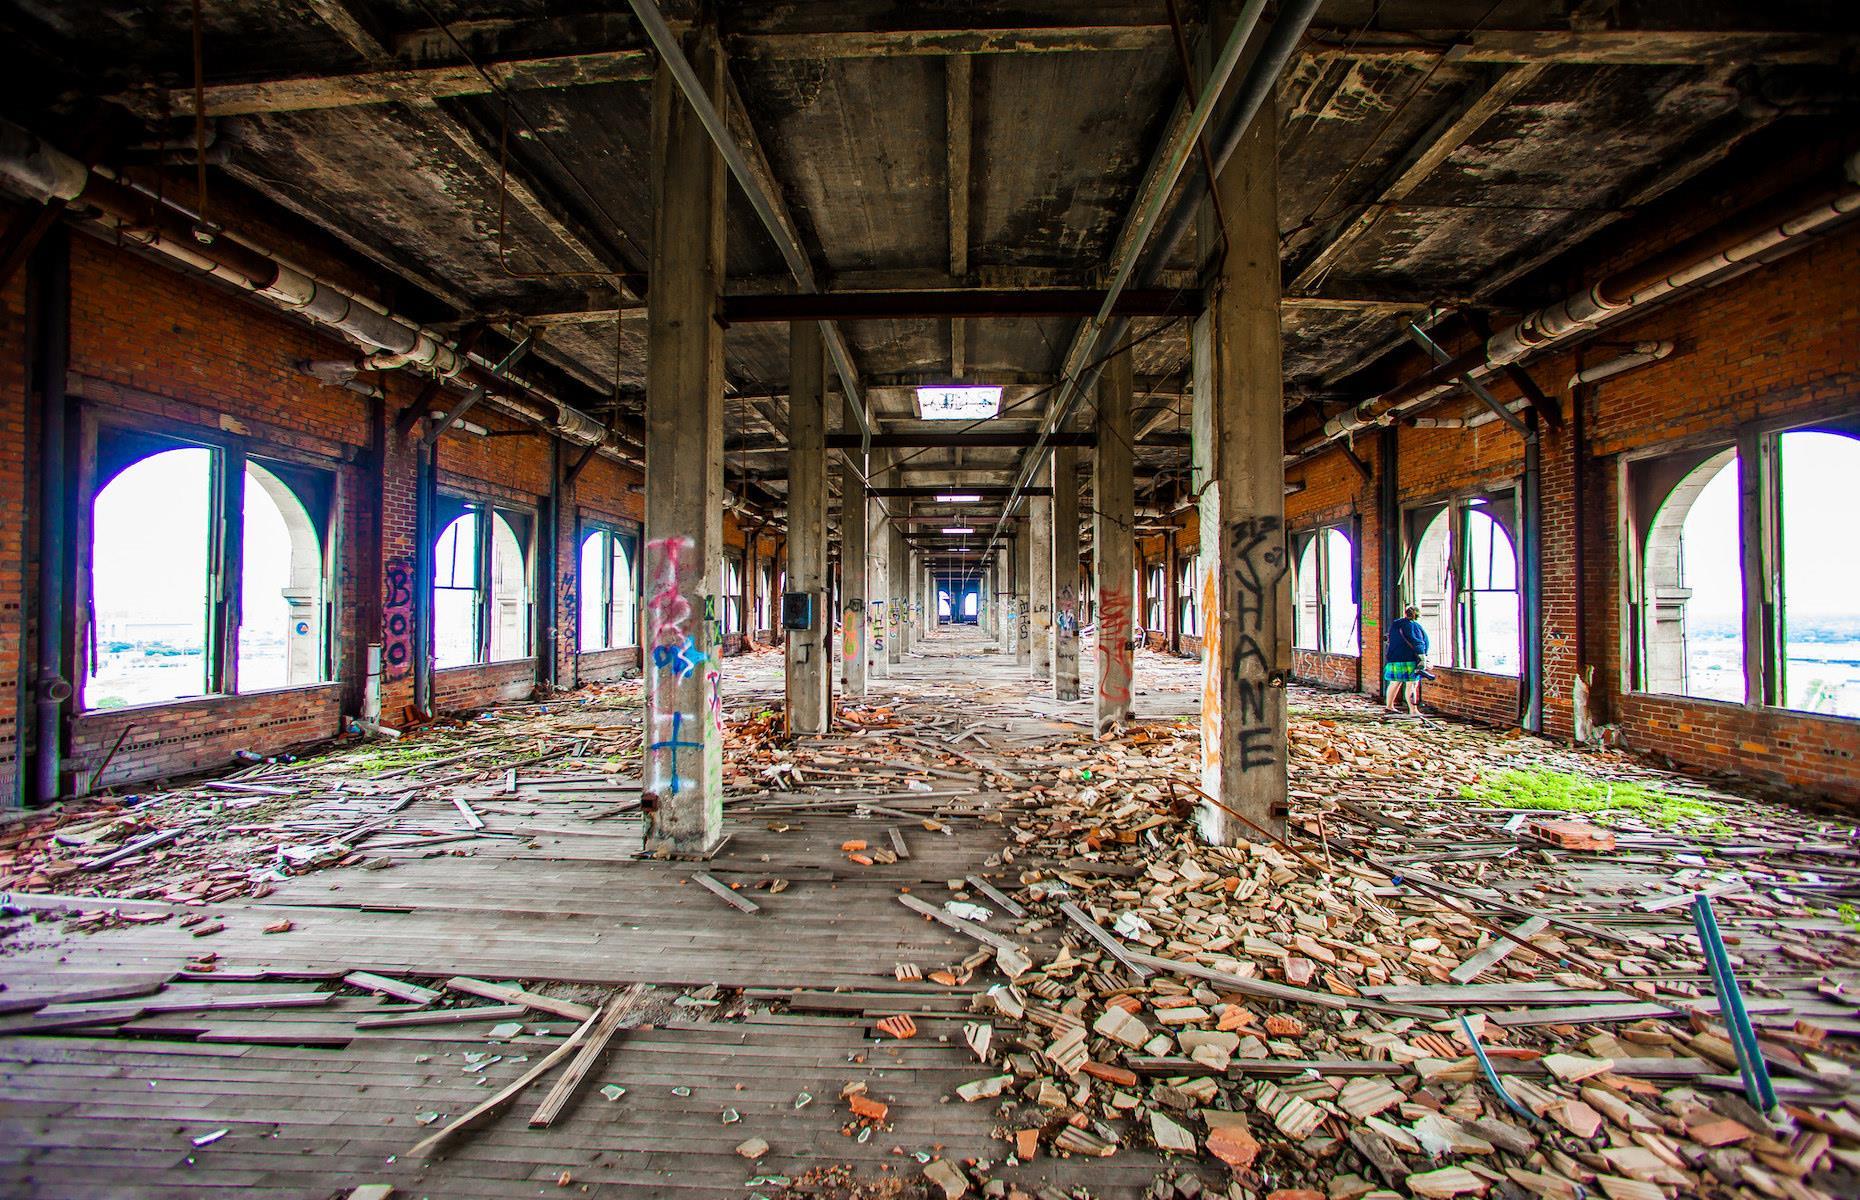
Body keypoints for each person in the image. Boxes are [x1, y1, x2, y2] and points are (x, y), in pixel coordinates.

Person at [1383, 605, 1429, 714]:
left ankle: (1389, 706)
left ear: (1405, 613)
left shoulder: (1396, 624)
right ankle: (1413, 710)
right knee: (1411, 684)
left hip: (1394, 658)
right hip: (1409, 659)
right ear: (1417, 615)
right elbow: (1418, 642)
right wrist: (1423, 657)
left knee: (1394, 682)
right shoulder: (1413, 626)